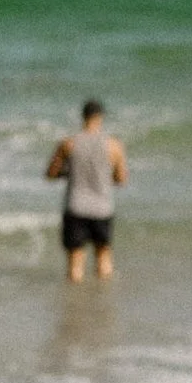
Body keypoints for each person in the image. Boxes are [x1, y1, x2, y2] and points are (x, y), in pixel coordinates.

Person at [45, 99, 125, 280]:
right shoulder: (114, 146)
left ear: (83, 117)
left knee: (75, 263)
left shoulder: (68, 144)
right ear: (100, 117)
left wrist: (68, 173)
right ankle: (103, 304)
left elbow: (51, 173)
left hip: (76, 206)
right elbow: (121, 179)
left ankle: (75, 305)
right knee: (104, 259)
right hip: (102, 208)